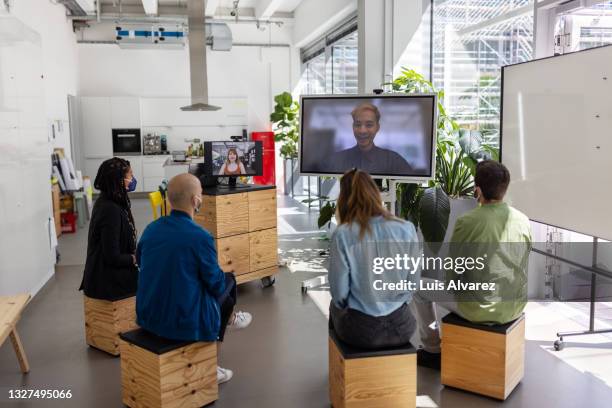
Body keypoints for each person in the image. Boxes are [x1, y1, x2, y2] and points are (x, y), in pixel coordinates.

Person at [135, 173, 252, 384]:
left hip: (147, 314)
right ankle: (210, 366)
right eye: (200, 195)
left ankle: (230, 321)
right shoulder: (201, 236)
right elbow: (216, 285)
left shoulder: (152, 228)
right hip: (182, 321)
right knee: (229, 281)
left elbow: (141, 261)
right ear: (195, 201)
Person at [414, 160, 532, 369]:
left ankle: (432, 350)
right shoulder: (523, 219)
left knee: (418, 287)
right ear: (504, 188)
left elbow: (453, 273)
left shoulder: (468, 221)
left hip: (480, 309)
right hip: (515, 305)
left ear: (477, 190)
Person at [328, 169, 420, 350]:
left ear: (344, 199)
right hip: (402, 327)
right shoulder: (407, 228)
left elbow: (339, 293)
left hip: (361, 331)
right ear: (374, 193)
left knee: (334, 306)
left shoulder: (343, 234)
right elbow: (413, 283)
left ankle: (341, 373)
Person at [80, 157, 138, 300]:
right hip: (107, 283)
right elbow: (112, 257)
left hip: (110, 277)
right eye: (130, 175)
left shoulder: (113, 201)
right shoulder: (110, 209)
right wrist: (135, 258)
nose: (133, 179)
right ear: (119, 180)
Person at [330, 103, 414, 175]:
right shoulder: (337, 160)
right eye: (358, 125)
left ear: (377, 127)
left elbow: (410, 183)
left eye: (369, 125)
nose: (362, 131)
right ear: (353, 127)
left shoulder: (393, 160)